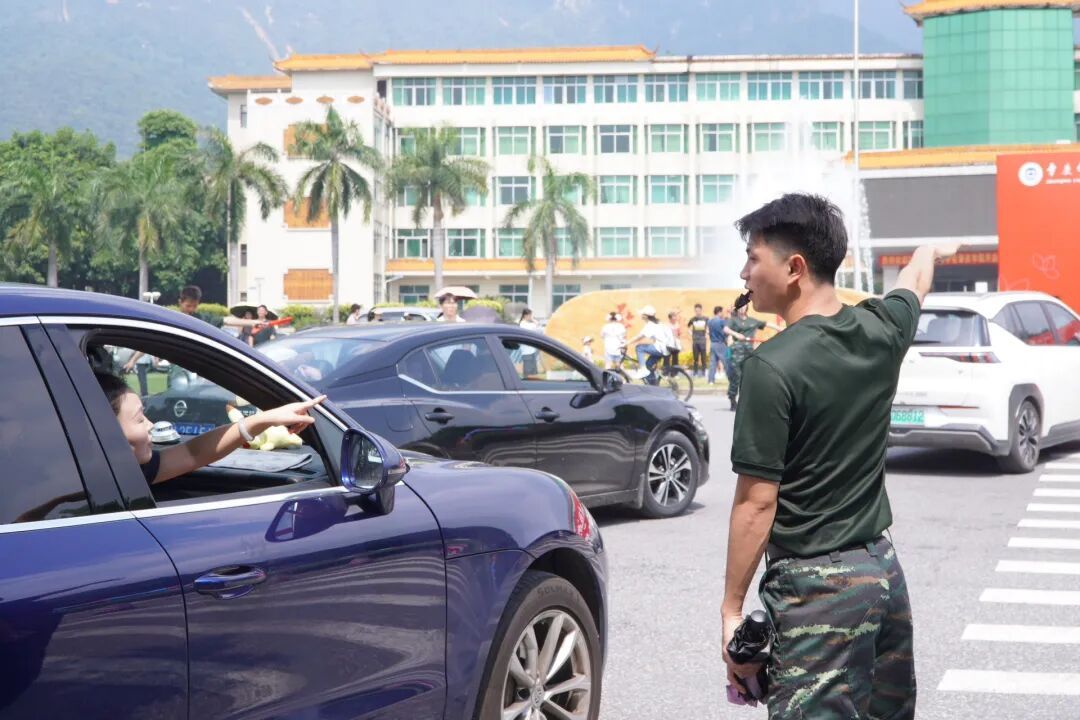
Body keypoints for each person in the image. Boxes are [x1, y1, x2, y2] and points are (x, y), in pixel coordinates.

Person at [720, 192, 959, 720]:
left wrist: (731, 611)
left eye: (753, 258)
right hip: (883, 575)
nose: (744, 273)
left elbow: (757, 505)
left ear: (794, 268)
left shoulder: (771, 367)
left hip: (816, 593)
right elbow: (913, 283)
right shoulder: (882, 329)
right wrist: (929, 251)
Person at [726, 304, 782, 411]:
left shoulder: (752, 321)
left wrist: (781, 329)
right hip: (737, 352)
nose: (742, 309)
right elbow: (726, 329)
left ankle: (745, 401)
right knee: (736, 377)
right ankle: (732, 399)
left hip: (749, 352)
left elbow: (766, 324)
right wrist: (736, 334)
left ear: (747, 308)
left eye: (744, 307)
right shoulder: (734, 320)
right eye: (740, 307)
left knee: (748, 377)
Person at [624, 305, 667, 384]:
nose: (641, 315)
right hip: (663, 349)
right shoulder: (657, 323)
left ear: (646, 316)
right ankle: (653, 386)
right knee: (648, 366)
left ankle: (642, 369)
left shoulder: (650, 325)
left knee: (639, 347)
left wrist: (626, 343)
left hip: (660, 348)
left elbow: (640, 336)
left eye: (642, 314)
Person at [706, 306, 729, 386]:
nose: (723, 314)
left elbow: (708, 332)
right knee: (726, 361)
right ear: (719, 312)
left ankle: (711, 380)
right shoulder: (721, 321)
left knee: (713, 363)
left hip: (713, 343)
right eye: (722, 312)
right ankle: (731, 378)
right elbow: (726, 331)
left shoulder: (709, 321)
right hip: (720, 343)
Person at [687, 304, 709, 378]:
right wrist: (691, 334)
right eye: (696, 311)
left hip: (702, 341)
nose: (697, 312)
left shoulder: (705, 319)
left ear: (701, 310)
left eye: (698, 310)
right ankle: (695, 373)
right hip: (695, 341)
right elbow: (688, 327)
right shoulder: (692, 319)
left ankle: (703, 373)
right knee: (695, 358)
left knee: (703, 358)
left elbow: (709, 327)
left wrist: (707, 334)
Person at [518, 308, 540, 375]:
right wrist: (533, 319)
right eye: (530, 315)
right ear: (525, 315)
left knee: (533, 373)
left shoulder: (527, 323)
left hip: (531, 351)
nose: (531, 317)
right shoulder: (523, 324)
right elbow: (536, 324)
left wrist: (532, 319)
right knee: (528, 373)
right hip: (526, 352)